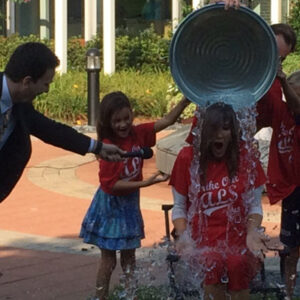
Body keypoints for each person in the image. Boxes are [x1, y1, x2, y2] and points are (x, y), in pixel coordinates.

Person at [80, 91, 190, 300]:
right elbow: (111, 185)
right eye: (117, 121)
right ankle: (99, 297)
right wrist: (146, 183)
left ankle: (131, 295)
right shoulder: (109, 147)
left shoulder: (137, 134)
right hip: (111, 206)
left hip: (129, 203)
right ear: (107, 122)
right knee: (109, 259)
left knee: (130, 257)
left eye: (126, 118)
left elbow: (166, 121)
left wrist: (185, 101)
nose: (123, 125)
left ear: (132, 114)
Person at [0, 42, 125, 203]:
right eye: (45, 84)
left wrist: (97, 147)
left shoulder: (20, 106)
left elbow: (52, 131)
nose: (46, 90)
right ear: (27, 81)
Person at [170, 102, 268, 300]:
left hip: (238, 240)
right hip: (201, 242)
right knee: (211, 261)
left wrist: (252, 232)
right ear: (203, 131)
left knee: (237, 263)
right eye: (213, 129)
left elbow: (255, 206)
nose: (220, 135)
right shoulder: (187, 158)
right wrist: (183, 236)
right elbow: (179, 208)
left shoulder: (246, 158)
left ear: (233, 132)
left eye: (226, 128)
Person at [256, 24, 300, 299]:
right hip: (292, 192)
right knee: (289, 246)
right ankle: (289, 291)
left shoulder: (293, 108)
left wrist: (283, 80)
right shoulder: (280, 107)